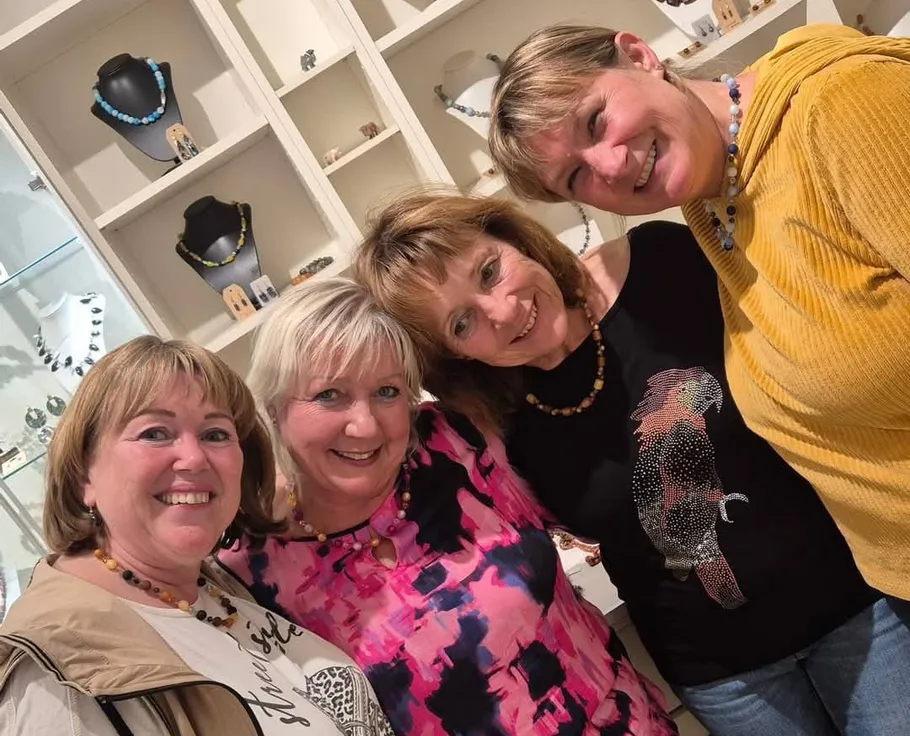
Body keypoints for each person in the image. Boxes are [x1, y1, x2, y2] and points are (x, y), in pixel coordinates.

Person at [351, 189, 910, 736]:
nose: (502, 311)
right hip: (727, 677)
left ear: (513, 238)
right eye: (461, 323)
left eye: (489, 271)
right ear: (450, 354)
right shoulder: (487, 425)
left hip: (858, 606)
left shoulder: (660, 264)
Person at [484, 23, 910, 602]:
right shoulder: (711, 202)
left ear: (639, 55)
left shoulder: (843, 107)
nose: (610, 165)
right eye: (576, 176)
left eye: (595, 120)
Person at [217, 277, 676, 736]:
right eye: (328, 395)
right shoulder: (250, 573)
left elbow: (611, 501)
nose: (365, 425)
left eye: (387, 391)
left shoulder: (460, 438)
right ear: (274, 407)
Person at [0, 335, 394, 736]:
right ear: (83, 476)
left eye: (215, 434)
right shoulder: (55, 680)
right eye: (154, 433)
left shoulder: (207, 585)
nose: (193, 458)